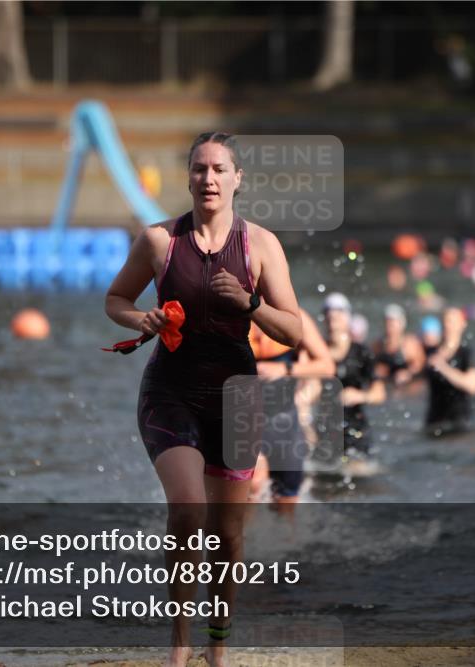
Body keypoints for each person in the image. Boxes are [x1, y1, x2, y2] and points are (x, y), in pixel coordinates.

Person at [105, 131, 302, 667]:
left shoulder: (260, 246)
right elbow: (116, 298)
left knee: (229, 537)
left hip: (236, 396)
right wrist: (139, 317)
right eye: (199, 169)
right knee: (188, 507)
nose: (208, 179)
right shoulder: (160, 242)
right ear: (188, 178)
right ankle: (179, 642)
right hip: (170, 389)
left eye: (219, 169)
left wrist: (251, 303)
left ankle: (217, 645)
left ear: (238, 179)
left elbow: (296, 333)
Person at [249, 308, 335, 510]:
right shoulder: (229, 313)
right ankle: (242, 540)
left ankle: (280, 541)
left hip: (285, 421)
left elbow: (327, 366)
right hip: (242, 420)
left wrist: (285, 369)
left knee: (286, 504)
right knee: (254, 484)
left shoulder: (294, 316)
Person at [322, 293, 386, 464]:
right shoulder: (317, 351)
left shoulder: (362, 353)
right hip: (323, 430)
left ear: (348, 317)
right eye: (329, 312)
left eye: (338, 312)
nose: (333, 316)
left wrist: (359, 395)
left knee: (356, 474)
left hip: (355, 429)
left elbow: (379, 394)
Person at [424, 307, 475, 436]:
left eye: (452, 322)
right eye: (445, 321)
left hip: (459, 424)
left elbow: (473, 386)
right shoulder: (431, 352)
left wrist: (444, 368)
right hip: (433, 423)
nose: (448, 325)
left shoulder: (466, 354)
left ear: (462, 325)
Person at [371, 304, 425, 394]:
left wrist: (408, 373)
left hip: (406, 389)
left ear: (401, 324)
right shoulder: (378, 345)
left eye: (392, 322)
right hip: (387, 387)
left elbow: (420, 365)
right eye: (387, 322)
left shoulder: (409, 344)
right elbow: (371, 364)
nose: (389, 325)